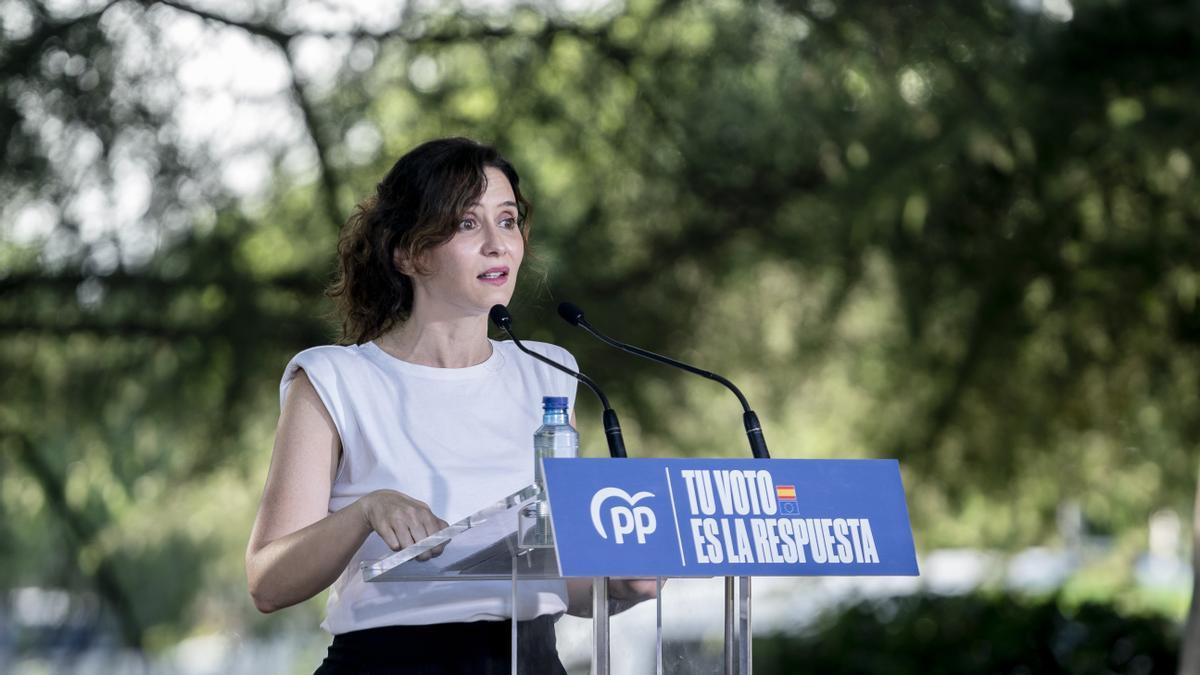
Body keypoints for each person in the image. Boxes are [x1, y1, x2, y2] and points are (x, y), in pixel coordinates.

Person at [244, 137, 653, 674]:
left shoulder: (550, 372)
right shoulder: (333, 379)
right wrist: (366, 512)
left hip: (531, 660)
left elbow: (556, 577)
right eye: (466, 224)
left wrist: (617, 583)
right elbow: (268, 582)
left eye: (507, 221)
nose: (498, 244)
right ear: (408, 252)